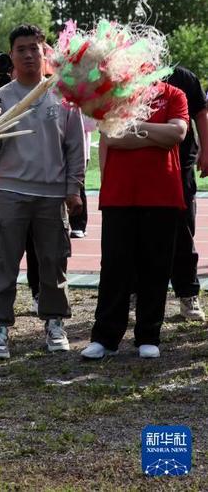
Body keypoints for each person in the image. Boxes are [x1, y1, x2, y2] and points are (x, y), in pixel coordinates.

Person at [0, 24, 85, 358]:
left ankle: (54, 322)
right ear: (12, 54)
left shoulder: (62, 96)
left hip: (52, 194)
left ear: (45, 53)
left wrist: (73, 188)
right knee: (2, 261)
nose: (28, 54)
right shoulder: (2, 97)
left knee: (54, 263)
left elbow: (75, 147)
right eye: (21, 49)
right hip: (10, 190)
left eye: (34, 48)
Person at [81, 80, 188, 360]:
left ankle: (148, 335)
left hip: (162, 194)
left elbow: (177, 133)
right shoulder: (113, 95)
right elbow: (112, 136)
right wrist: (155, 134)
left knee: (156, 266)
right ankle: (105, 338)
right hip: (119, 194)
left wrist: (134, 128)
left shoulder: (173, 94)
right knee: (115, 267)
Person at [165, 66, 208, 321]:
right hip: (141, 164)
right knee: (136, 232)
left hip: (179, 164)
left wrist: (206, 151)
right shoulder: (127, 77)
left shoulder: (182, 77)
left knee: (182, 229)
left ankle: (188, 294)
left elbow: (201, 113)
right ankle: (135, 291)